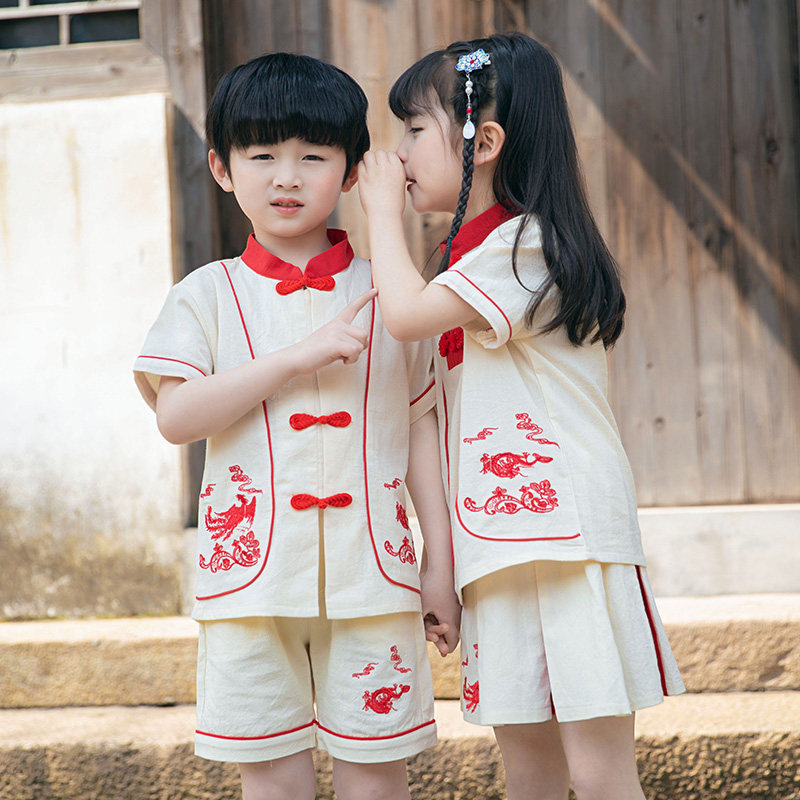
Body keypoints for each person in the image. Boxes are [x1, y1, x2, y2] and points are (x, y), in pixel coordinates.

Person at [357, 33, 684, 800]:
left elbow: (402, 316)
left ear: (485, 142)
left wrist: (376, 210)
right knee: (528, 774)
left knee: (600, 775)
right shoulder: (465, 258)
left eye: (412, 130)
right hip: (495, 547)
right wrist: (441, 564)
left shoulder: (526, 245)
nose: (396, 151)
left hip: (567, 540)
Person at [134, 52, 459, 800]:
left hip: (375, 574)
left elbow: (420, 433)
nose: (286, 177)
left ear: (351, 173)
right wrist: (294, 358)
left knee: (377, 778)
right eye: (262, 155)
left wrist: (438, 564)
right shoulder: (206, 296)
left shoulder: (396, 296)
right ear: (222, 167)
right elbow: (177, 418)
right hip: (250, 584)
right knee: (273, 783)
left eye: (312, 156)